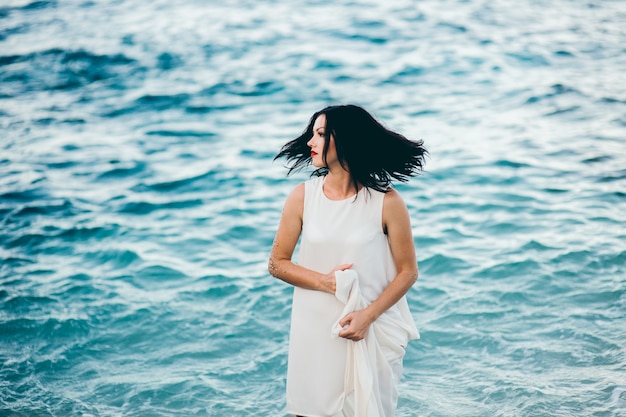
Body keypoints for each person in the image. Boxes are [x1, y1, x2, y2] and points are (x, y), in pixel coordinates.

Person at [268, 104, 427, 417]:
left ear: (346, 140)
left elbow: (408, 272)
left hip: (370, 326)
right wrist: (326, 282)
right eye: (311, 134)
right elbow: (277, 263)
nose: (310, 142)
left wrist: (368, 316)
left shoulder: (387, 201)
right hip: (314, 327)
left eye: (321, 134)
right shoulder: (303, 197)